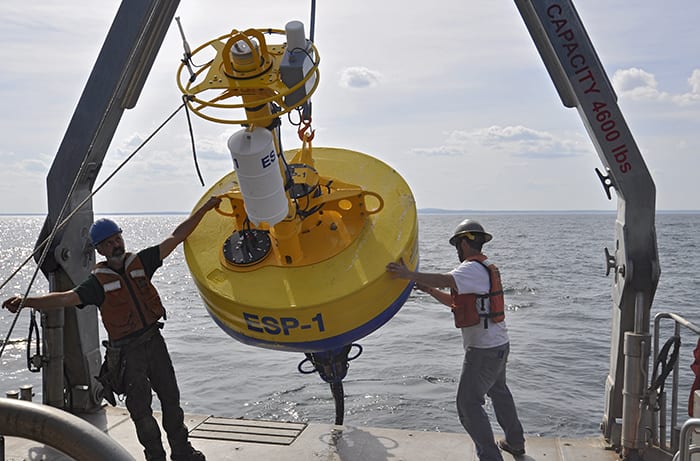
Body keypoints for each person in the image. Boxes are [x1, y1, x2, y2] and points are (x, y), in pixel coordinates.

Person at [2, 196, 221, 461]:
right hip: (127, 354)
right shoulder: (96, 283)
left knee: (171, 399)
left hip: (154, 342)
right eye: (108, 243)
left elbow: (176, 237)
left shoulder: (142, 261)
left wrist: (206, 208)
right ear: (100, 250)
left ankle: (182, 451)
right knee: (141, 410)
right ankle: (155, 456)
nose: (115, 245)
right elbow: (64, 298)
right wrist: (27, 302)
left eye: (117, 238)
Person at [386, 218, 525, 461]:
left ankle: (490, 457)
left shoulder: (470, 269)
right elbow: (455, 302)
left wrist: (407, 274)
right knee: (499, 392)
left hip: (482, 351)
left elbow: (444, 279)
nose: (457, 251)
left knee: (468, 405)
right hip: (499, 345)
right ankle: (515, 442)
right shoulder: (486, 267)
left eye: (457, 245)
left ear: (464, 243)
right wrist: (429, 291)